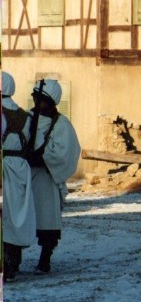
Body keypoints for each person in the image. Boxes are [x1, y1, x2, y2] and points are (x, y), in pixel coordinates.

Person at [27, 79, 81, 274]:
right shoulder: (26, 120)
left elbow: (67, 152)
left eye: (41, 100)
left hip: (47, 181)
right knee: (19, 219)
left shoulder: (62, 125)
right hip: (24, 177)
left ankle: (45, 259)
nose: (37, 104)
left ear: (51, 102)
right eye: (35, 98)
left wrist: (43, 158)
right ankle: (12, 260)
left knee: (48, 220)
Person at [2, 71, 36, 282]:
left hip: (4, 166)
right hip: (21, 168)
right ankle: (13, 260)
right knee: (15, 216)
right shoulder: (27, 116)